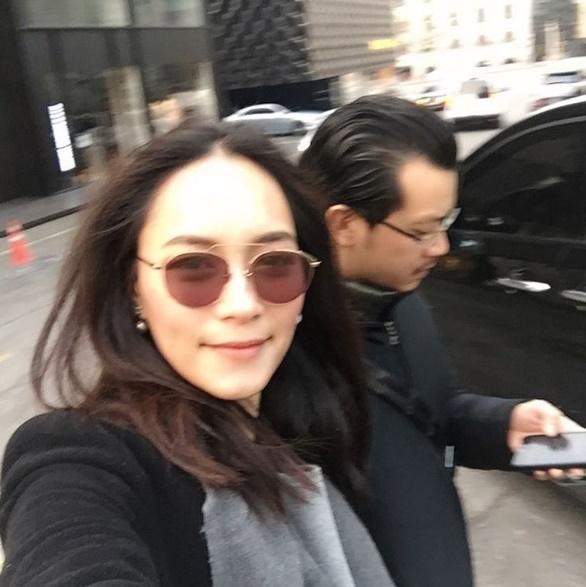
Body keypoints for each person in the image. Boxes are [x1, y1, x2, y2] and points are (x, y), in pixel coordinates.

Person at [0, 121, 396, 586]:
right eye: (192, 267)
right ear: (133, 288)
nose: (242, 305)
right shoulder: (81, 456)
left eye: (275, 264)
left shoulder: (309, 414)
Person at [299, 94, 584, 587]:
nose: (441, 247)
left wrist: (503, 427)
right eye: (421, 231)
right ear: (343, 225)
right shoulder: (278, 356)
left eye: (446, 223)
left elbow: (433, 415)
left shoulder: (400, 299)